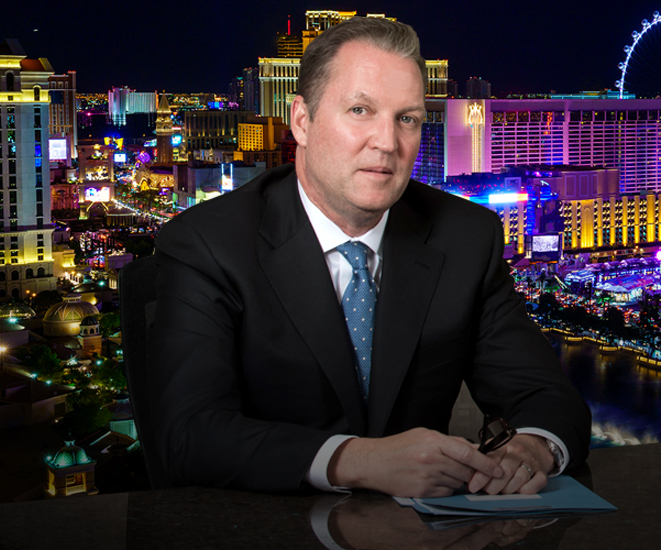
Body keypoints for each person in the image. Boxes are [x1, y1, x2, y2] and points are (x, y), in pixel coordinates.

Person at [148, 17, 590, 497]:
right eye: (360, 110)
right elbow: (188, 436)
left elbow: (548, 398)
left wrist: (531, 448)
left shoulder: (465, 236)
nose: (387, 142)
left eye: (407, 119)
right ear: (302, 120)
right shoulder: (208, 244)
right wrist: (351, 460)